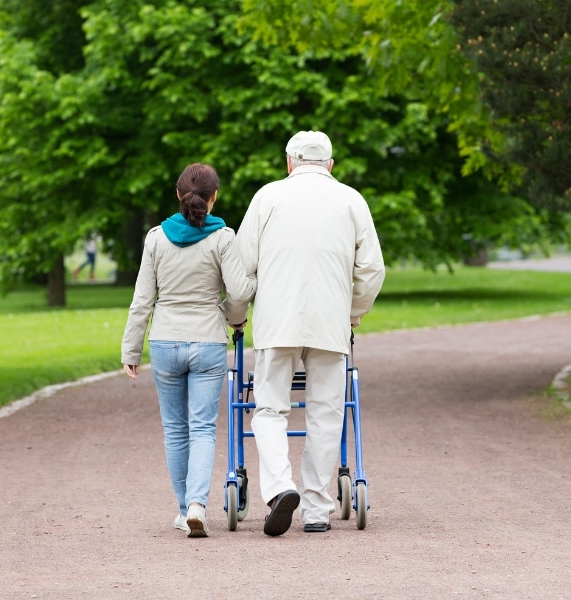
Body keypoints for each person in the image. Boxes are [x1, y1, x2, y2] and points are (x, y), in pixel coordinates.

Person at [233, 130, 385, 536]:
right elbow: (372, 271)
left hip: (276, 322)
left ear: (289, 163)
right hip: (329, 323)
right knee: (325, 412)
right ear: (330, 166)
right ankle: (317, 508)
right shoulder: (352, 200)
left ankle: (281, 487)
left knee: (269, 409)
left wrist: (235, 315)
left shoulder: (267, 197)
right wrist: (351, 314)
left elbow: (241, 267)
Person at [121, 163, 256, 538]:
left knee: (175, 431)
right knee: (202, 429)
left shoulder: (155, 239)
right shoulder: (224, 238)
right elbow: (240, 292)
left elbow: (142, 301)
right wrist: (232, 318)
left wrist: (131, 349)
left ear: (178, 195)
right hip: (208, 342)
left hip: (165, 342)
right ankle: (198, 504)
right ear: (214, 197)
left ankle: (184, 510)